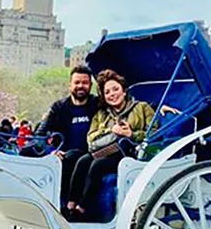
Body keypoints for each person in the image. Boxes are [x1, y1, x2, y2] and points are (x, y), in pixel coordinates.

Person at [66, 69, 156, 220]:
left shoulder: (142, 108)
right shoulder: (102, 114)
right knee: (82, 161)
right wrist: (111, 130)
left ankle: (82, 208)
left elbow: (154, 133)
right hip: (106, 149)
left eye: (115, 89)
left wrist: (131, 134)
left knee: (98, 165)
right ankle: (70, 205)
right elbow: (91, 137)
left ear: (124, 91)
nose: (112, 94)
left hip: (130, 153)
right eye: (107, 92)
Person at [28, 65, 98, 209]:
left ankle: (70, 208)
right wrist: (51, 151)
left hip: (89, 156)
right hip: (62, 155)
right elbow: (40, 134)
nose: (81, 86)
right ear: (70, 85)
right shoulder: (59, 107)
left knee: (73, 158)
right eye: (77, 82)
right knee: (28, 152)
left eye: (85, 83)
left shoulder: (97, 105)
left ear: (90, 85)